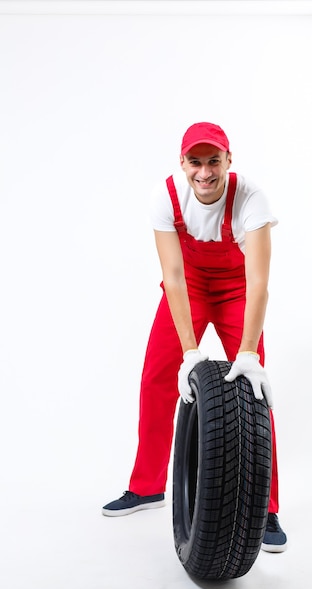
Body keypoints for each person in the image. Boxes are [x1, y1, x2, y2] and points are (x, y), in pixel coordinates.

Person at [103, 122, 287, 552]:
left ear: (228, 161)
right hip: (188, 287)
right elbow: (172, 276)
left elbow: (259, 281)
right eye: (195, 162)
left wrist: (247, 353)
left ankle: (268, 508)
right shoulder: (165, 196)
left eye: (214, 161)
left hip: (238, 288)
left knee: (256, 391)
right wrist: (189, 351)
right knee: (156, 380)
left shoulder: (251, 198)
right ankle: (147, 485)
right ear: (183, 163)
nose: (204, 172)